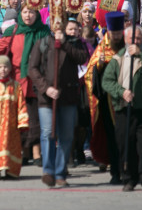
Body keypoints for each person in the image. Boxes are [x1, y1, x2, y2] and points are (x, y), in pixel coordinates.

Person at [28, 16, 88, 188]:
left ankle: (61, 172)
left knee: (66, 135)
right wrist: (46, 88)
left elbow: (82, 58)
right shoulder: (43, 42)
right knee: (48, 133)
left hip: (68, 95)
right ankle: (48, 170)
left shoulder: (74, 42)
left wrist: (66, 44)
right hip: (47, 98)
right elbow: (33, 68)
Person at [101, 26, 142, 194]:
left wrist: (140, 54)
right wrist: (121, 92)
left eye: (139, 38)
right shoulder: (118, 59)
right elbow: (107, 81)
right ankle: (129, 178)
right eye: (132, 38)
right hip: (124, 109)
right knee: (126, 145)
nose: (135, 41)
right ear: (126, 40)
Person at [0, 7, 50, 168]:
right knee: (20, 120)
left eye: (31, 12)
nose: (28, 15)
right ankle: (23, 152)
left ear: (37, 15)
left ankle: (37, 153)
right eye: (25, 12)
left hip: (38, 82)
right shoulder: (13, 31)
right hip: (17, 82)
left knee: (36, 119)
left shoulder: (44, 31)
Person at [85, 12, 125, 184]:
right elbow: (90, 74)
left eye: (118, 33)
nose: (115, 36)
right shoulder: (101, 48)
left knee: (126, 136)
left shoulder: (129, 46)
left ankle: (128, 171)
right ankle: (115, 172)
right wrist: (99, 65)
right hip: (108, 102)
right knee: (112, 138)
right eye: (113, 33)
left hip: (127, 99)